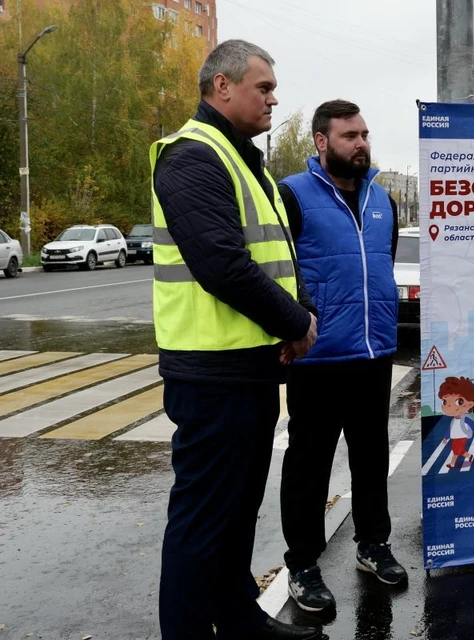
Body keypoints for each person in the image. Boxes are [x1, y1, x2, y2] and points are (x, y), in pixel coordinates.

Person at [152, 40, 322, 639]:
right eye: (264, 87)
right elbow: (222, 264)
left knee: (236, 513)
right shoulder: (192, 157)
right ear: (221, 87)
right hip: (209, 371)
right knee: (202, 521)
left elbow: (277, 260)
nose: (274, 98)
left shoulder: (248, 162)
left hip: (247, 367)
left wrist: (298, 311)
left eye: (274, 89)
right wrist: (296, 324)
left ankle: (240, 619)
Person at [278, 99, 404, 615]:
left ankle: (373, 545)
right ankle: (303, 565)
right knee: (309, 465)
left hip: (373, 355)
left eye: (365, 134)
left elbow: (381, 264)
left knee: (372, 457)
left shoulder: (383, 200)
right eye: (350, 135)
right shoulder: (293, 195)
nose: (361, 143)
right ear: (321, 141)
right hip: (317, 358)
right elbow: (281, 270)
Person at [438, 376, 474, 468]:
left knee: (456, 452)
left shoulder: (464, 419)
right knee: (459, 450)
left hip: (462, 437)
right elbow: (450, 430)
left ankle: (452, 464)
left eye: (459, 402)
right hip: (455, 437)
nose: (449, 406)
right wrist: (446, 438)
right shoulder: (453, 420)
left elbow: (472, 424)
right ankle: (469, 455)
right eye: (445, 402)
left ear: (470, 404)